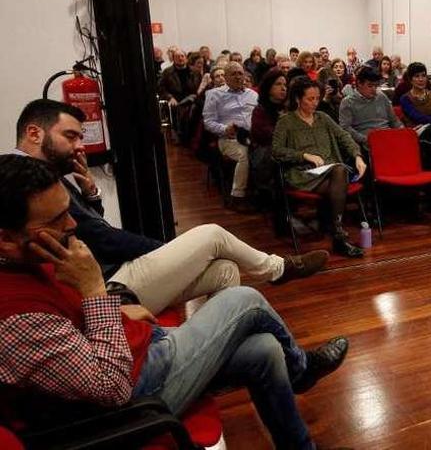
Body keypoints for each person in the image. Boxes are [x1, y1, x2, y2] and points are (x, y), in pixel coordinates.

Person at [0, 154, 348, 450]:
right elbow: (111, 387)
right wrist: (94, 290)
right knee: (246, 299)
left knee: (266, 349)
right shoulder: (13, 318)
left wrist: (112, 307)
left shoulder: (28, 261)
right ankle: (300, 370)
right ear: (6, 239)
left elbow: (69, 327)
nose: (72, 223)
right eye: (57, 219)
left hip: (135, 351)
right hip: (132, 399)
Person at [12, 99, 328, 315]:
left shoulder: (47, 175)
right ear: (34, 133)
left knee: (226, 270)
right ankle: (276, 269)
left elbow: (90, 231)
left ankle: (220, 348)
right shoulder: (27, 182)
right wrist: (165, 252)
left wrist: (92, 196)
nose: (79, 146)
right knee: (212, 235)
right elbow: (101, 238)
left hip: (109, 272)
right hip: (108, 284)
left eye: (80, 137)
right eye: (70, 136)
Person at [273, 77, 368, 258]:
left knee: (338, 171)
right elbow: (277, 151)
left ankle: (338, 234)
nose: (315, 103)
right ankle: (339, 236)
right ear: (297, 99)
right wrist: (303, 155)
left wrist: (357, 156)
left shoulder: (323, 118)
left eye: (317, 98)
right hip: (303, 173)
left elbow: (344, 136)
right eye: (310, 99)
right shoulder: (286, 122)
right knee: (339, 173)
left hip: (329, 171)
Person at [203, 62, 259, 211]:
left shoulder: (253, 95)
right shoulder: (214, 94)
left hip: (252, 138)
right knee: (244, 155)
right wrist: (224, 129)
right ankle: (237, 196)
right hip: (229, 139)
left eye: (240, 73)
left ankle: (262, 194)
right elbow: (208, 122)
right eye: (233, 74)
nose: (238, 77)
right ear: (225, 77)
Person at [250, 69, 288, 210]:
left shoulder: (289, 108)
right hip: (265, 152)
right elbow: (267, 135)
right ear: (268, 87)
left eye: (285, 84)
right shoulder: (260, 110)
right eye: (278, 84)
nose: (283, 88)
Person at [338, 67, 403, 149]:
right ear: (359, 83)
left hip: (387, 136)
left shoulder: (381, 96)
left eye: (376, 86)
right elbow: (345, 128)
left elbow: (394, 120)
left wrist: (402, 131)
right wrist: (365, 139)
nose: (374, 90)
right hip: (367, 141)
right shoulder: (348, 102)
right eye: (370, 86)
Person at [399, 62, 431, 139]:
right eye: (417, 76)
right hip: (416, 130)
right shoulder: (405, 98)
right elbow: (417, 117)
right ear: (410, 79)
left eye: (423, 76)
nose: (421, 79)